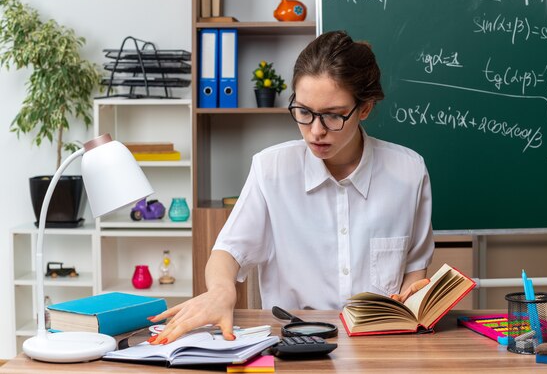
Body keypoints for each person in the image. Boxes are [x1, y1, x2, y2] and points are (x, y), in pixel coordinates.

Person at [147, 30, 434, 345]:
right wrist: (220, 291)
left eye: (333, 116)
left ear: (364, 109)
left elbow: (414, 271)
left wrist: (413, 295)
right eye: (304, 112)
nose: (315, 131)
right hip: (295, 343)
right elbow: (228, 252)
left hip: (382, 347)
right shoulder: (271, 169)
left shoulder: (408, 172)